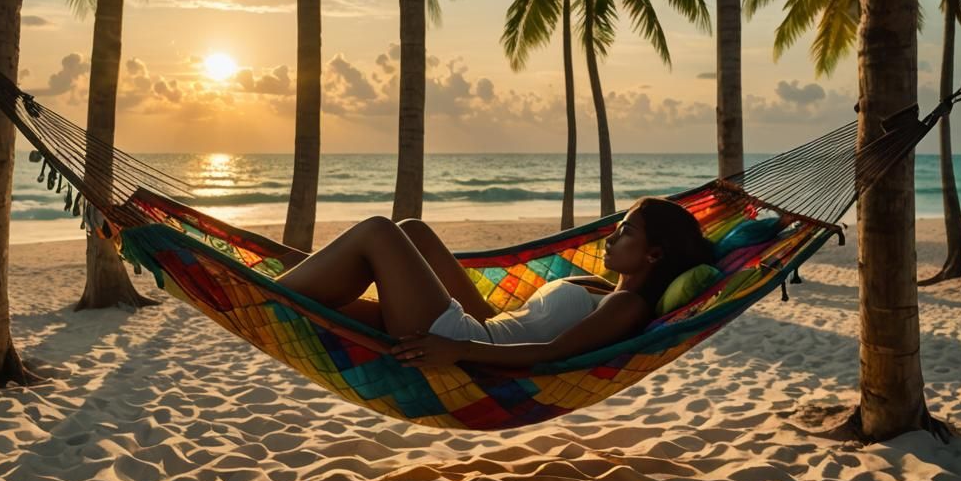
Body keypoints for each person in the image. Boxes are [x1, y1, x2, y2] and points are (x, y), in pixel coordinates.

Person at [275, 196, 714, 368]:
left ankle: (274, 287)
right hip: (483, 324)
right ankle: (289, 278)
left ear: (654, 254)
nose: (612, 236)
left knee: (378, 230)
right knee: (412, 229)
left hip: (459, 340)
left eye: (627, 232)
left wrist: (458, 349)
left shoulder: (627, 307)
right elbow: (506, 320)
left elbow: (551, 353)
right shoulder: (597, 286)